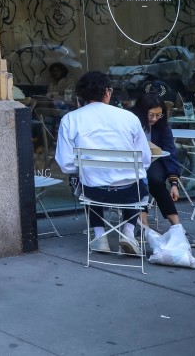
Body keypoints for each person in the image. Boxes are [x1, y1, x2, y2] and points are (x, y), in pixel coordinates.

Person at [55, 70, 150, 255]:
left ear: (81, 95)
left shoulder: (70, 119)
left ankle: (99, 235)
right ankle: (129, 232)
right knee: (138, 180)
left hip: (94, 192)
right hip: (130, 192)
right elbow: (144, 160)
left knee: (88, 178)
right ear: (107, 92)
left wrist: (88, 168)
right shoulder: (129, 117)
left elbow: (65, 164)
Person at [131, 84, 195, 248]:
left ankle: (177, 228)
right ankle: (143, 227)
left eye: (159, 114)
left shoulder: (162, 126)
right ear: (142, 111)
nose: (155, 118)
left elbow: (170, 151)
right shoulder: (131, 122)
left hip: (155, 162)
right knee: (139, 182)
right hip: (132, 164)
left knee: (155, 180)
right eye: (151, 114)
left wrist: (174, 183)